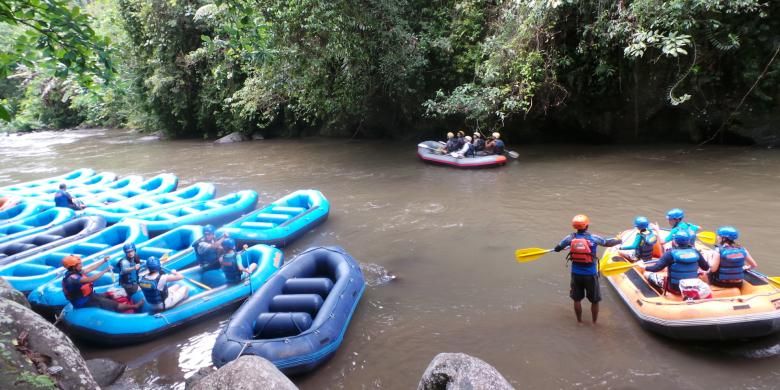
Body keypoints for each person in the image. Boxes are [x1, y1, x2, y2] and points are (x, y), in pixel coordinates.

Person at [553, 214, 621, 324]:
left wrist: (559, 248)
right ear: (587, 226)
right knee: (595, 301)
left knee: (577, 299)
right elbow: (607, 242)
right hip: (591, 274)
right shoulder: (593, 238)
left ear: (574, 227)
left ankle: (579, 321)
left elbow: (558, 248)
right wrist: (619, 240)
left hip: (576, 274)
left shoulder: (570, 238)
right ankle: (594, 323)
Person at [61, 255, 143, 311]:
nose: (81, 265)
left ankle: (120, 300)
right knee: (112, 304)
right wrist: (105, 270)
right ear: (73, 267)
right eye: (79, 264)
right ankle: (135, 306)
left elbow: (90, 268)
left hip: (88, 296)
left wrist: (103, 261)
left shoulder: (75, 272)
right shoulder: (72, 279)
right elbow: (91, 279)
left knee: (107, 294)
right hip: (82, 302)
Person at [639, 230, 710, 295]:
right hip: (693, 286)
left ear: (675, 241)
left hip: (675, 288)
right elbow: (706, 267)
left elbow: (656, 268)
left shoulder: (670, 253)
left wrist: (644, 267)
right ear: (688, 241)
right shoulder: (696, 252)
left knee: (646, 274)